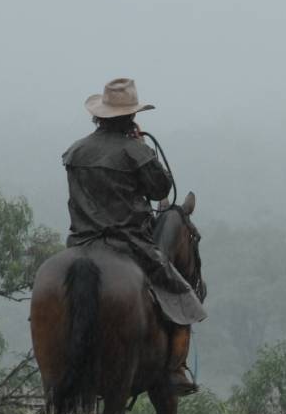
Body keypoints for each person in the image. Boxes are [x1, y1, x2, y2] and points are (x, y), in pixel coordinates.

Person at [61, 78, 206, 395]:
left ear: (99, 115)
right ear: (131, 116)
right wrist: (141, 146)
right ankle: (176, 369)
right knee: (182, 296)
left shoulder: (75, 151)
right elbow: (160, 190)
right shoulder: (134, 150)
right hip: (128, 244)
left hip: (80, 243)